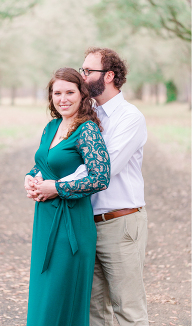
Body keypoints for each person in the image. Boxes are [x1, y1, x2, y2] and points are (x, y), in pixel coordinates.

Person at [23, 67, 111, 325]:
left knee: (59, 297)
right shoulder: (51, 126)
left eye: (69, 92)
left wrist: (57, 189)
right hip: (45, 220)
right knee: (43, 294)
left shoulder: (87, 130)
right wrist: (30, 178)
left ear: (82, 94)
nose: (63, 99)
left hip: (71, 223)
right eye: (57, 93)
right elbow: (44, 164)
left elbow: (100, 177)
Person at [82, 48, 148, 326]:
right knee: (95, 311)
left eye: (88, 71)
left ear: (108, 76)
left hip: (120, 223)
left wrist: (56, 186)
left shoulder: (129, 118)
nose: (82, 76)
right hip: (86, 224)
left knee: (127, 310)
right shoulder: (86, 116)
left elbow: (104, 168)